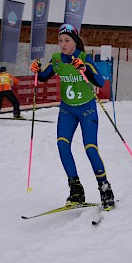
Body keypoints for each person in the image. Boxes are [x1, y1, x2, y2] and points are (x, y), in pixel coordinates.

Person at [30, 23, 115, 210]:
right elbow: (44, 76)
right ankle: (76, 190)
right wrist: (37, 70)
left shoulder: (84, 58)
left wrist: (84, 69)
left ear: (75, 42)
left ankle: (105, 189)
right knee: (62, 144)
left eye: (67, 40)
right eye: (60, 41)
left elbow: (100, 81)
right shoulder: (57, 59)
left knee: (90, 148)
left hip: (87, 110)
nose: (63, 44)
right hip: (67, 110)